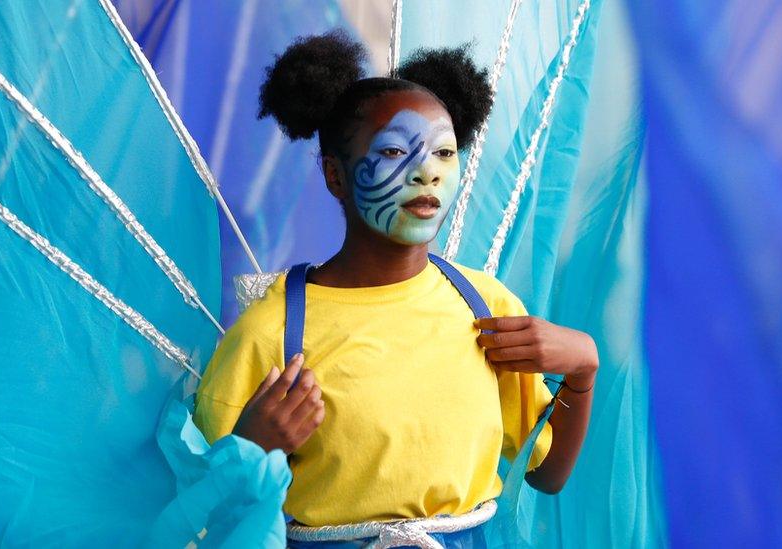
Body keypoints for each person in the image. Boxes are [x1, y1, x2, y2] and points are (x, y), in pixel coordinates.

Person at [193, 30, 598, 548]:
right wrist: (250, 446)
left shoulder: (486, 308)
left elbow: (548, 475)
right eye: (392, 151)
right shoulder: (270, 334)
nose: (427, 173)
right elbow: (202, 512)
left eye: (444, 152)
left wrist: (583, 368)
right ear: (335, 175)